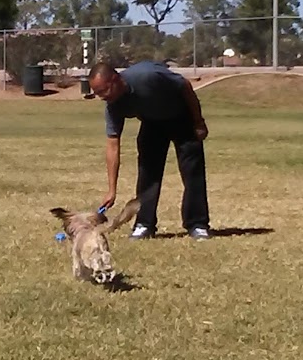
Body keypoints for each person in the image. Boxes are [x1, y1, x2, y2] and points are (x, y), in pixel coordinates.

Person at [88, 60, 211, 240]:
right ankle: (144, 224)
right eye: (97, 93)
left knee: (193, 172)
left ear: (115, 79)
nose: (101, 97)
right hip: (152, 123)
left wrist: (198, 121)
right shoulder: (113, 105)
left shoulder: (147, 76)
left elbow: (185, 85)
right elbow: (113, 145)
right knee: (147, 173)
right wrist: (111, 190)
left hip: (182, 116)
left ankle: (198, 224)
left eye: (103, 91)